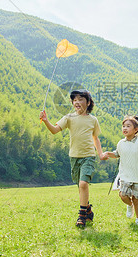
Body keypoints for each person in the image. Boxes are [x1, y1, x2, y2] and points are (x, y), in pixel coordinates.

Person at [40, 89, 107, 228]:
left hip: (88, 156)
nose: (77, 102)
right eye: (74, 99)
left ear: (88, 103)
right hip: (74, 157)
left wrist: (100, 153)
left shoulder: (93, 120)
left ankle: (81, 216)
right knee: (80, 186)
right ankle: (88, 210)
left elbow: (96, 138)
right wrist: (46, 121)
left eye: (80, 99)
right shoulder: (69, 118)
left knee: (83, 184)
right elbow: (54, 130)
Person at [103, 116, 138, 225]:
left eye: (128, 126)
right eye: (123, 126)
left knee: (136, 199)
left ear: (136, 130)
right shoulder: (121, 143)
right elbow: (117, 154)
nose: (125, 128)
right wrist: (108, 153)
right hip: (125, 175)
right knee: (122, 195)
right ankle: (129, 205)